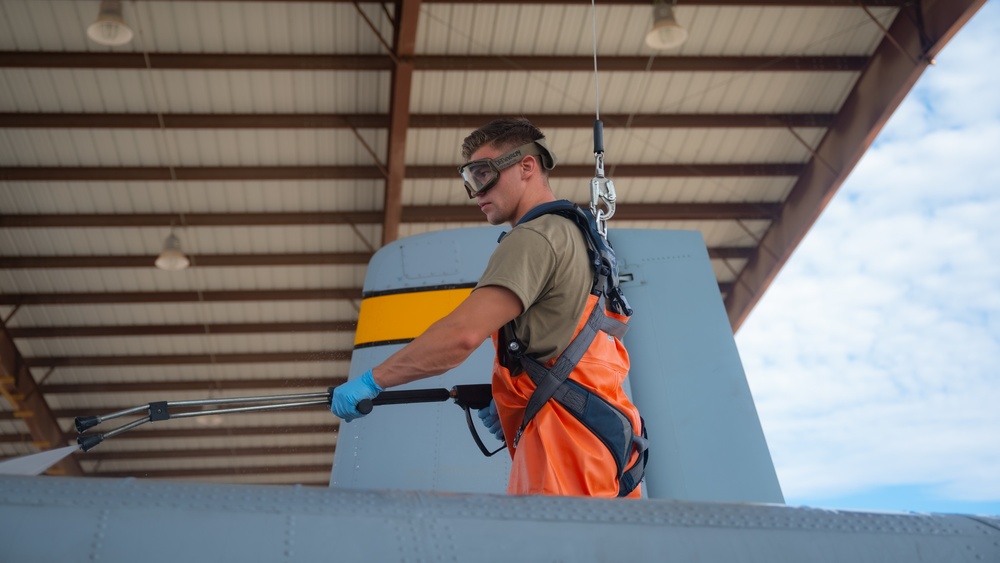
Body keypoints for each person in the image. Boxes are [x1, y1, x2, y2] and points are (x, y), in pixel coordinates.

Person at [331, 118, 646, 497]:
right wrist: (518, 392)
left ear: (526, 166)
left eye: (484, 174)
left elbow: (460, 337)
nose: (475, 192)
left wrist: (373, 380)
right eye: (470, 180)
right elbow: (571, 345)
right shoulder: (578, 237)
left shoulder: (534, 237)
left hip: (562, 445)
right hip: (601, 442)